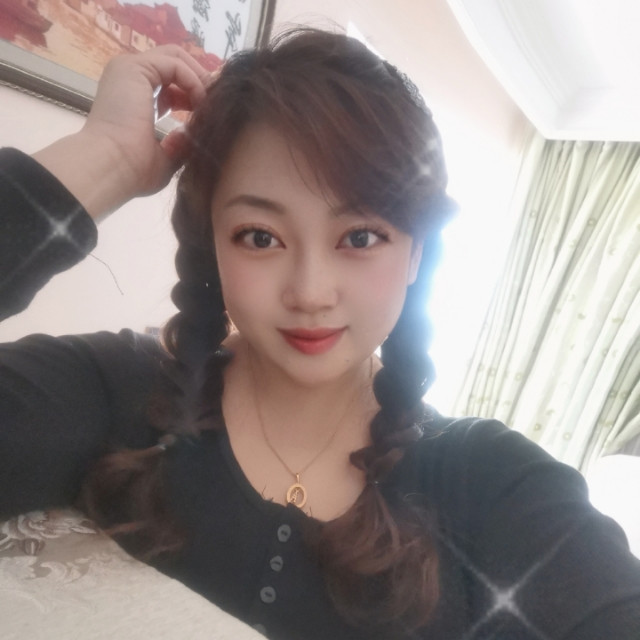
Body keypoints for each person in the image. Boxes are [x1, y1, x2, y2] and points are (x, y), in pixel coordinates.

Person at [1, 28, 640, 640]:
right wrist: (106, 156)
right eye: (260, 236)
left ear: (417, 253)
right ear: (212, 243)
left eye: (360, 237)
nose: (310, 292)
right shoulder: (110, 392)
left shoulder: (494, 489)